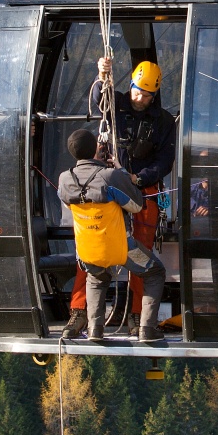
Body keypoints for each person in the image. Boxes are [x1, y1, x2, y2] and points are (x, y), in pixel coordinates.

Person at [61, 57, 176, 339]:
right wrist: (102, 75)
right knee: (91, 249)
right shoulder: (118, 104)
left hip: (141, 186)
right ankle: (79, 314)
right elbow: (101, 97)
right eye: (136, 90)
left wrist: (138, 179)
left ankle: (137, 317)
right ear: (132, 85)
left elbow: (164, 162)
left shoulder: (162, 122)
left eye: (145, 94)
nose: (139, 97)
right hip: (110, 183)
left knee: (141, 253)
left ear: (154, 94)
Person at [58, 128, 166, 342]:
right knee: (155, 272)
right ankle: (147, 328)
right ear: (96, 149)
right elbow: (136, 205)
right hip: (121, 247)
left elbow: (68, 203)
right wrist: (121, 172)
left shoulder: (64, 179)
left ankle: (95, 330)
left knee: (96, 277)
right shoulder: (110, 176)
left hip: (88, 249)